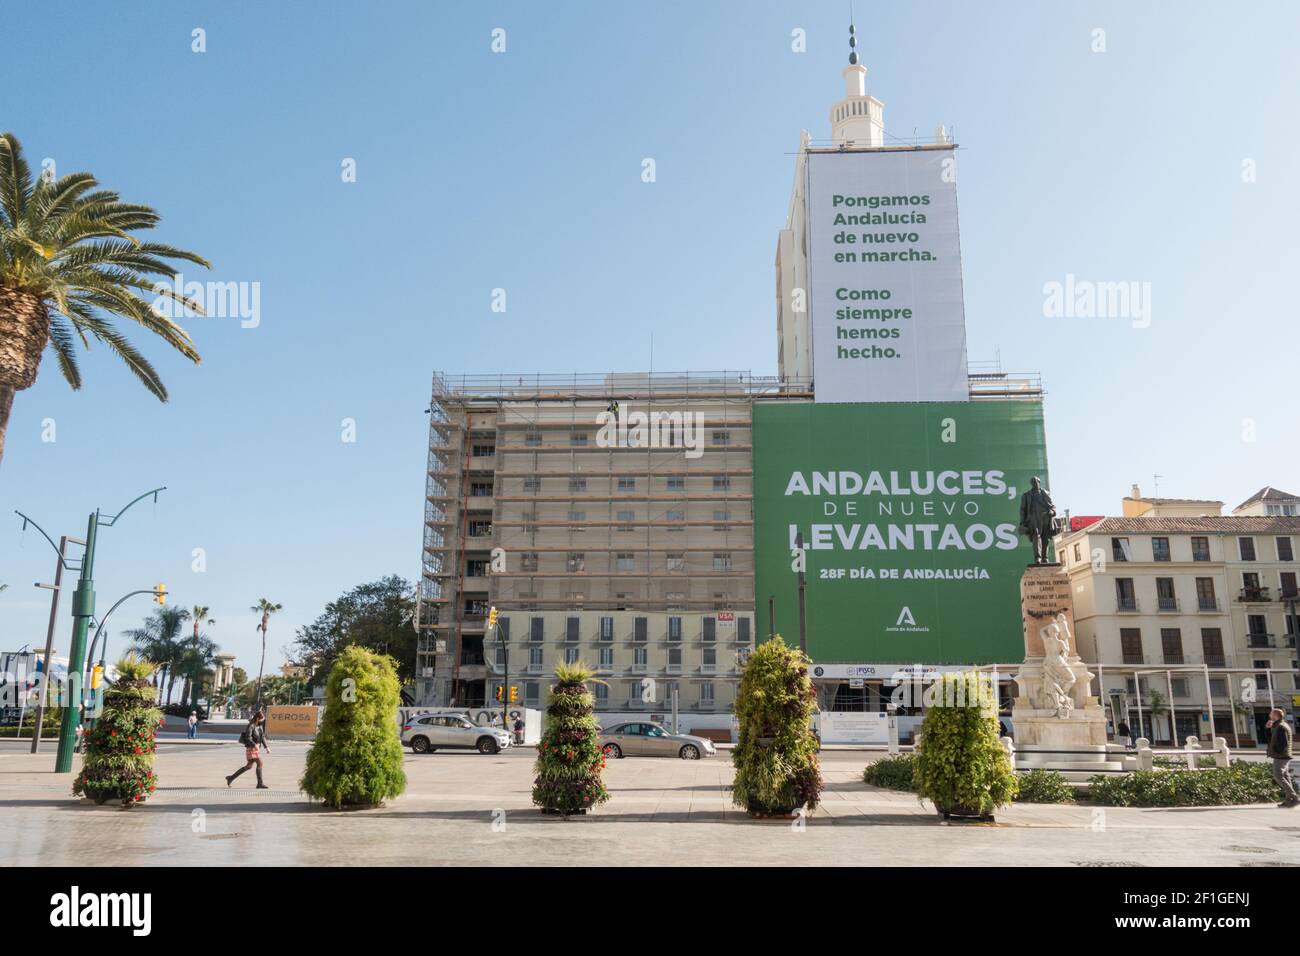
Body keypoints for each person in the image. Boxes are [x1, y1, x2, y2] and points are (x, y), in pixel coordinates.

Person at [226, 710, 271, 789]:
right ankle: (260, 784)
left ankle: (231, 778)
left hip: (256, 748)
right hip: (251, 748)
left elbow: (262, 736)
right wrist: (254, 745)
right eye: (262, 719)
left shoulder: (259, 726)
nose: (263, 721)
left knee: (249, 766)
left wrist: (266, 747)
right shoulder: (251, 725)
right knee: (260, 763)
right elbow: (248, 737)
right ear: (257, 718)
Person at [1266, 709, 1297, 808]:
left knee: (1278, 776)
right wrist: (1268, 728)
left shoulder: (1281, 727)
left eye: (1271, 714)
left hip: (1281, 755)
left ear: (1275, 715)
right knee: (1285, 777)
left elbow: (1284, 743)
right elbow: (1271, 738)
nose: (1269, 715)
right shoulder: (1278, 725)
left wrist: (1276, 751)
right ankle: (1289, 799)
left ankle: (1294, 797)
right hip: (1282, 755)